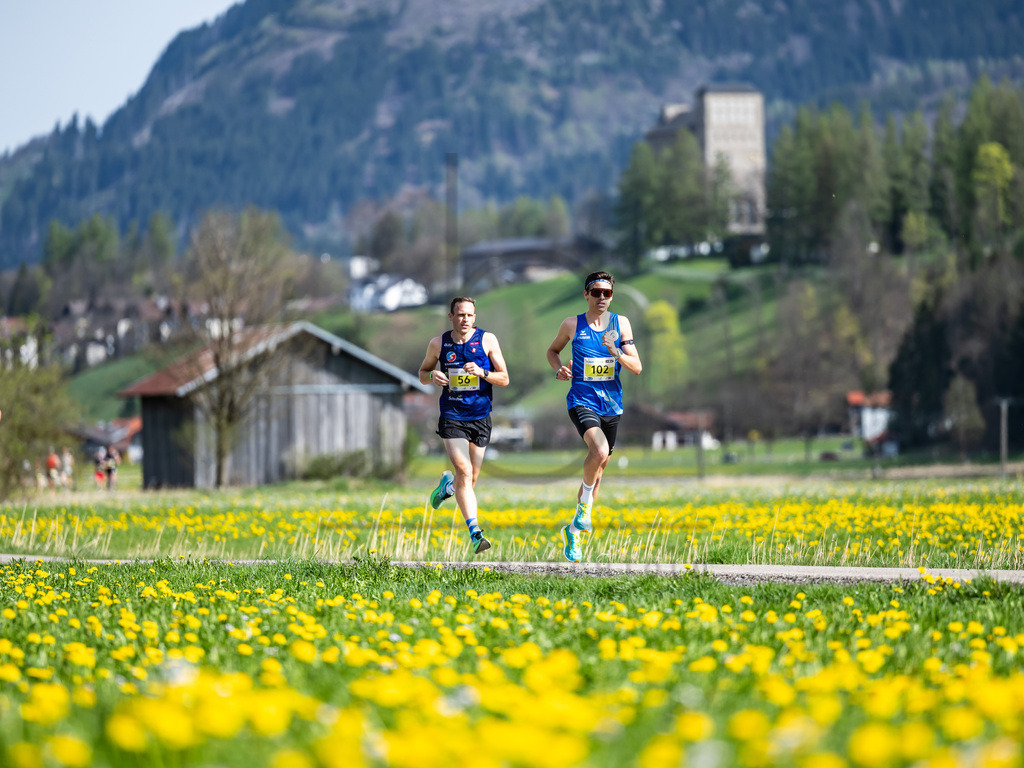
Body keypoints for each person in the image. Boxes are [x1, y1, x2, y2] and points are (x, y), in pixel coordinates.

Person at [546, 270, 643, 563]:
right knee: (598, 450)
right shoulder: (571, 324)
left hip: (612, 404)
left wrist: (617, 353)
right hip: (581, 400)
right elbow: (552, 351)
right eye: (596, 292)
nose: (602, 298)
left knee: (599, 469)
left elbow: (636, 366)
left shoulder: (620, 324)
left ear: (612, 296)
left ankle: (573, 530)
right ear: (586, 295)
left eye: (607, 293)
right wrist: (559, 368)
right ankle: (585, 511)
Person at [418, 296, 509, 554]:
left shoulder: (488, 340)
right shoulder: (438, 344)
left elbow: (504, 378)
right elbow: (423, 374)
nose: (465, 319)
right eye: (460, 315)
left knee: (470, 478)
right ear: (451, 317)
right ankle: (476, 534)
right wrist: (432, 375)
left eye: (469, 315)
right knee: (464, 471)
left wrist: (483, 373)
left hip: (480, 416)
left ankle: (448, 486)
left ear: (475, 317)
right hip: (452, 413)